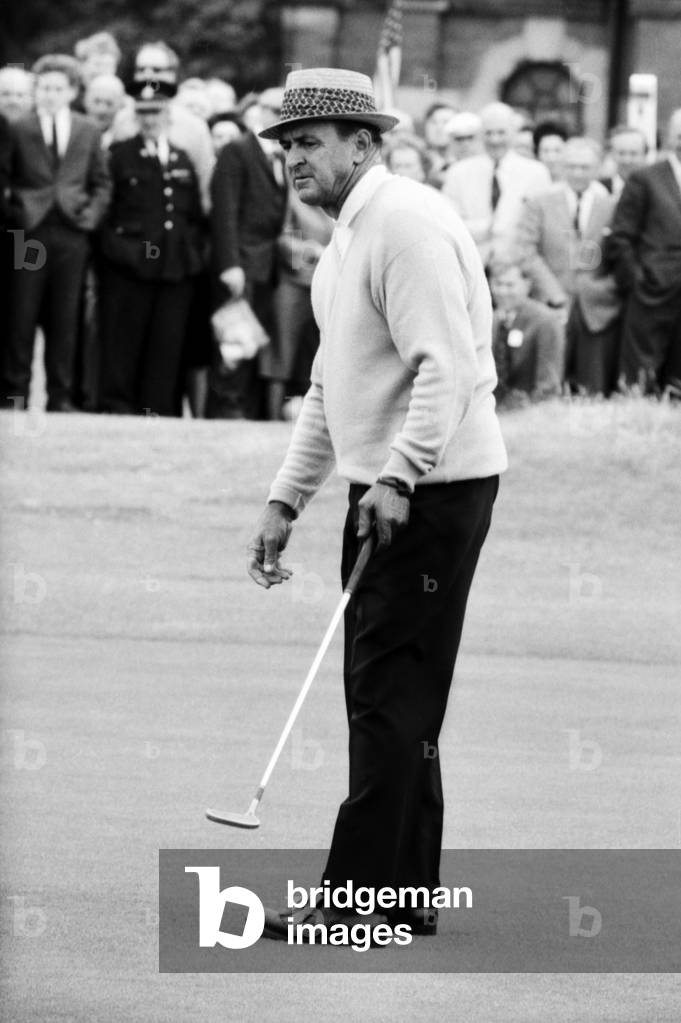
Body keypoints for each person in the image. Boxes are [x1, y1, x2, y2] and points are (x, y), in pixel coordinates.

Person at [246, 67, 507, 940]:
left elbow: (450, 366)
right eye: (287, 143)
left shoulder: (403, 223)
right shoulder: (346, 240)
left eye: (310, 140)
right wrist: (286, 498)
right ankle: (403, 892)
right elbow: (328, 390)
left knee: (387, 694)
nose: (294, 157)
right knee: (398, 695)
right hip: (396, 483)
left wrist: (397, 475)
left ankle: (355, 900)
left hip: (429, 489)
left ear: (364, 143)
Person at [3, 54, 111, 412]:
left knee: (65, 317)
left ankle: (60, 397)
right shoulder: (18, 127)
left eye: (57, 88)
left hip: (71, 232)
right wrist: (15, 214)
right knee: (21, 313)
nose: (49, 94)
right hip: (28, 234)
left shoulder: (87, 129)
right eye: (44, 87)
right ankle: (15, 395)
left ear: (72, 91)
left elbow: (101, 182)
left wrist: (90, 218)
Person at [98, 79, 205, 416]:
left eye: (156, 111)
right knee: (124, 342)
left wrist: (192, 253)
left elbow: (193, 215)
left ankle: (157, 408)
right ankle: (118, 407)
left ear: (167, 113)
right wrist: (120, 252)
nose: (149, 119)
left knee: (166, 344)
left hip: (174, 267)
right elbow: (105, 213)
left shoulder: (181, 157)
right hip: (130, 265)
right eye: (142, 112)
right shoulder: (119, 155)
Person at [206, 88, 287, 419]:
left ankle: (248, 409)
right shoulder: (237, 151)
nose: (283, 117)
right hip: (241, 261)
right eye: (277, 110)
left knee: (257, 340)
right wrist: (230, 264)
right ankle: (227, 408)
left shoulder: (283, 153)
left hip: (271, 264)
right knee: (235, 339)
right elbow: (224, 211)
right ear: (261, 112)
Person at [518, 137, 621, 395]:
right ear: (562, 167)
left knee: (591, 383)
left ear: (597, 169)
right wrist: (553, 292)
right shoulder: (539, 202)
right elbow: (526, 251)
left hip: (595, 302)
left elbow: (616, 254)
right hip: (550, 298)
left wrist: (602, 288)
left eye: (585, 167)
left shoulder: (609, 206)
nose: (577, 173)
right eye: (572, 166)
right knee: (551, 373)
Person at [608, 109, 681, 394]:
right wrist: (636, 281)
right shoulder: (646, 178)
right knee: (639, 377)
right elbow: (621, 237)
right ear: (670, 137)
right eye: (679, 135)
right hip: (651, 289)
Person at [442, 101, 551, 267]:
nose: (495, 139)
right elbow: (449, 223)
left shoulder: (536, 173)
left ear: (514, 133)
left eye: (501, 132)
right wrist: (485, 227)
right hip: (471, 265)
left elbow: (542, 229)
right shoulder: (458, 173)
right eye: (489, 133)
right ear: (480, 134)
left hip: (519, 269)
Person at [260, 182, 333, 419]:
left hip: (328, 287)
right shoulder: (293, 196)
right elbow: (284, 237)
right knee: (282, 356)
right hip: (294, 283)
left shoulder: (338, 198)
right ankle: (272, 419)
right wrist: (308, 250)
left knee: (322, 359)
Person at [489, 261, 562, 402]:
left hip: (528, 411)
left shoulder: (545, 321)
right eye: (498, 284)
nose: (502, 291)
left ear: (527, 286)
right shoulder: (491, 320)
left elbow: (548, 386)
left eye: (510, 285)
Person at [600, 124, 647, 200]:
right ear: (611, 154)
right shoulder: (599, 190)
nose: (627, 160)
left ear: (644, 155)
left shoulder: (655, 190)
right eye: (621, 153)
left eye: (633, 153)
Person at [422, 100, 457, 188]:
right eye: (433, 122)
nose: (439, 128)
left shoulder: (467, 163)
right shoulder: (418, 162)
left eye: (446, 122)